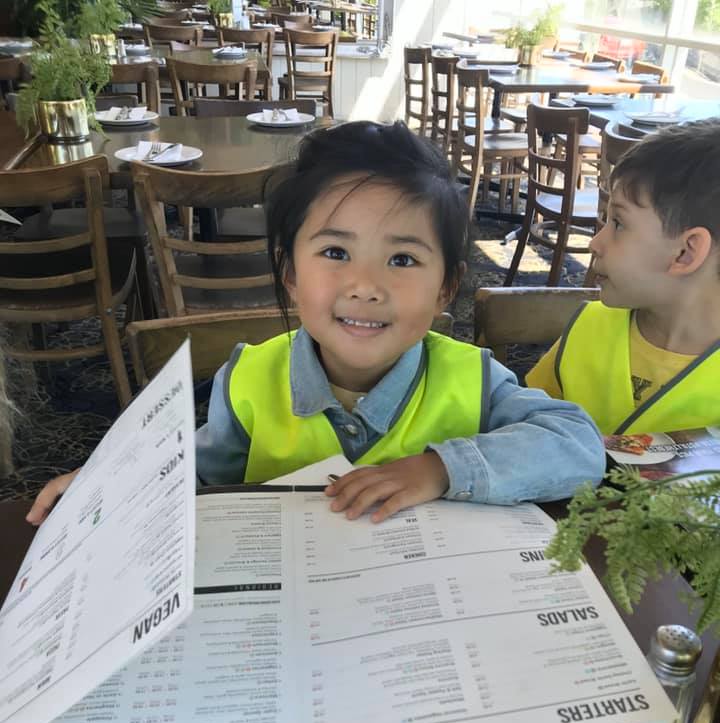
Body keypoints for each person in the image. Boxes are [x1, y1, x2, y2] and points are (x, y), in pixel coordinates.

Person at [27, 121, 604, 527]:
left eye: (402, 260)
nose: (365, 285)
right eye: (334, 253)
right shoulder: (249, 381)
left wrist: (440, 468)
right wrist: (109, 485)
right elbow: (201, 479)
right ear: (291, 275)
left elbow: (579, 446)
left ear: (445, 289)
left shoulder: (471, 378)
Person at [526, 118, 720, 436]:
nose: (595, 242)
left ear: (685, 252)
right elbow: (528, 428)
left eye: (618, 223)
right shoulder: (588, 328)